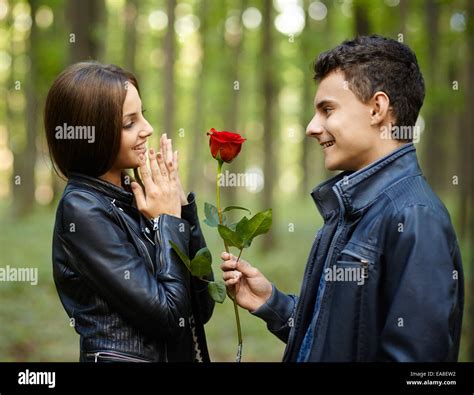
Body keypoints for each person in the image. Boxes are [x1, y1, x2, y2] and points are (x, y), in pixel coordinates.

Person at [220, 35, 464, 362]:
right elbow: (337, 342)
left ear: (377, 108)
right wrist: (272, 304)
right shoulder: (353, 209)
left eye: (327, 110)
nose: (311, 127)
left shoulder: (415, 218)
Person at [45, 62, 214, 362]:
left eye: (143, 116)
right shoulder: (82, 210)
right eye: (129, 123)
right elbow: (167, 317)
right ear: (92, 133)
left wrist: (182, 209)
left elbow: (202, 307)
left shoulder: (136, 195)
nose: (147, 129)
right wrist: (168, 221)